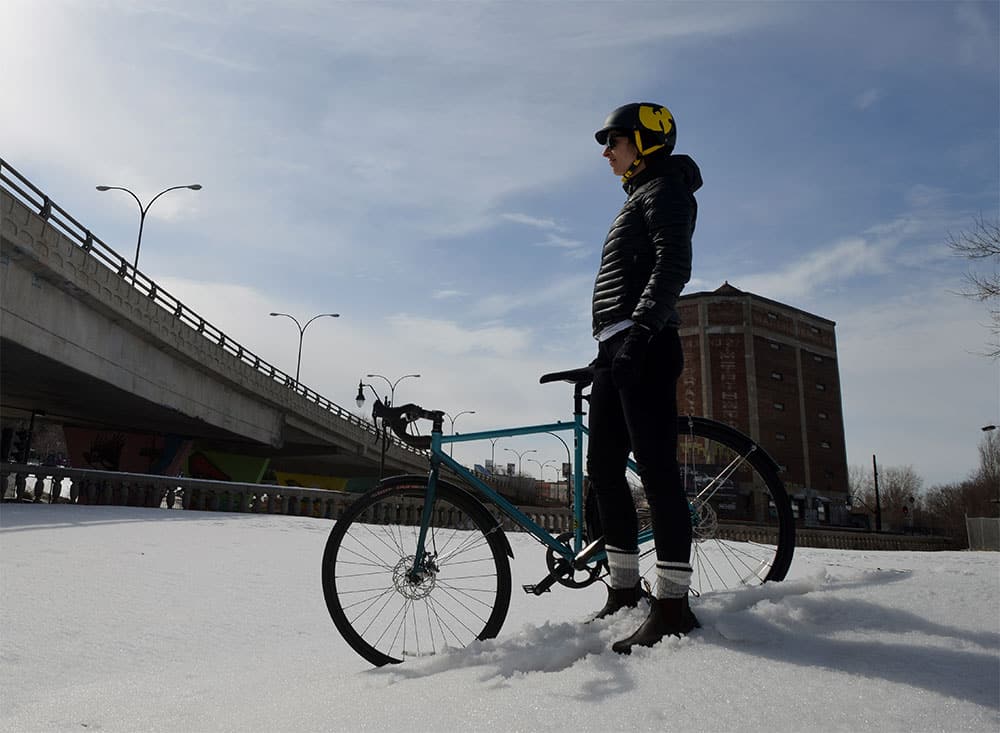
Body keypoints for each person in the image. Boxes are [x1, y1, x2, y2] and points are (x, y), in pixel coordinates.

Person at [586, 102, 703, 654]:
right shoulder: (640, 195)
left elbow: (672, 264)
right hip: (618, 347)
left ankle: (674, 606)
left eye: (614, 140)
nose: (607, 152)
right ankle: (626, 590)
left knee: (655, 472)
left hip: (647, 345)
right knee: (603, 469)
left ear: (645, 141)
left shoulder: (666, 190)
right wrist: (607, 349)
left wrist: (640, 333)